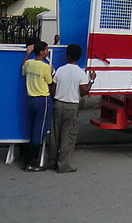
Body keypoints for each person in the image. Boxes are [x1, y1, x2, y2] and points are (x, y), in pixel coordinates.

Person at [50, 43, 95, 173]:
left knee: (55, 134)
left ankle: (51, 161)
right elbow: (84, 91)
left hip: (58, 104)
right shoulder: (81, 73)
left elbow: (53, 89)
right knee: (68, 135)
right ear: (79, 57)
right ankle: (63, 165)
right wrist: (91, 80)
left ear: (67, 55)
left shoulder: (59, 70)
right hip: (72, 105)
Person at [21, 40, 54, 171]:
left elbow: (22, 68)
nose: (47, 51)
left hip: (31, 99)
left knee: (32, 128)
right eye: (46, 50)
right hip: (42, 99)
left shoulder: (29, 64)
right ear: (41, 52)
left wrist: (27, 54)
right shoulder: (46, 67)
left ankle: (25, 156)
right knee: (39, 131)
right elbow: (50, 82)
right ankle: (31, 162)